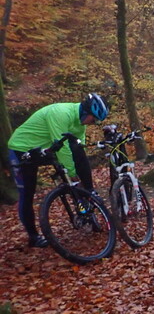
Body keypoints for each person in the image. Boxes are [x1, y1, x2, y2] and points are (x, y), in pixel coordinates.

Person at [8, 93, 109, 248]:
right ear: (85, 112)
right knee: (27, 193)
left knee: (78, 155)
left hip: (44, 148)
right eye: (93, 118)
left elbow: (77, 148)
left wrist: (81, 181)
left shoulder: (79, 124)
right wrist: (73, 174)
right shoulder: (61, 113)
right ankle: (33, 237)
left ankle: (88, 197)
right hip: (20, 149)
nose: (93, 123)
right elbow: (63, 149)